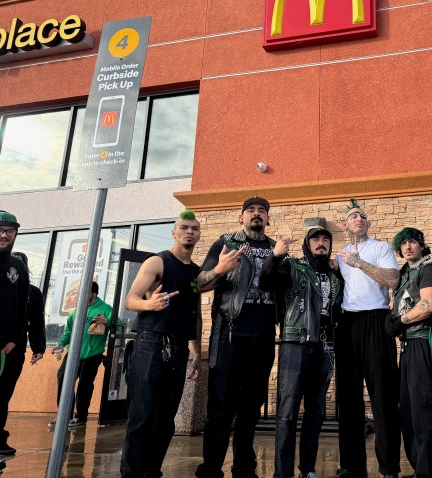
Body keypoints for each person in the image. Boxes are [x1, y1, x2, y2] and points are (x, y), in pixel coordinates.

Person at [196, 196, 277, 478]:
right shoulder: (225, 243)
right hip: (229, 334)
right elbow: (200, 284)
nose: (256, 214)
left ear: (268, 219)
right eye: (251, 211)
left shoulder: (276, 249)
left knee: (251, 408)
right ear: (241, 218)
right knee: (220, 406)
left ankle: (244, 467)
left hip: (264, 337)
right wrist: (220, 269)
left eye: (262, 212)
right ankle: (210, 468)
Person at [120, 210, 203, 477]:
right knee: (142, 417)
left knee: (165, 421)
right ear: (174, 232)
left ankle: (152, 472)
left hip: (179, 348)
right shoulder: (157, 262)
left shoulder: (196, 272)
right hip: (150, 344)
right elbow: (130, 299)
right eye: (184, 227)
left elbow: (196, 315)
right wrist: (149, 304)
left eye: (194, 228)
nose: (190, 232)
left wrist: (197, 353)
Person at [260, 221, 343, 478]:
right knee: (287, 412)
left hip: (324, 347)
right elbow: (266, 281)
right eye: (316, 240)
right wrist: (275, 256)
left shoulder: (335, 274)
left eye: (326, 240)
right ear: (309, 244)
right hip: (295, 344)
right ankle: (282, 473)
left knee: (316, 412)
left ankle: (307, 469)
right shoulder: (293, 266)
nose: (322, 244)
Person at [333, 199, 401, 478]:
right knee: (348, 399)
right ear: (345, 225)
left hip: (376, 320)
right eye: (352, 215)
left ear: (368, 223)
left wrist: (359, 263)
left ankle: (388, 468)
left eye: (362, 215)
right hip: (348, 325)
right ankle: (351, 465)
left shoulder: (380, 247)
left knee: (383, 396)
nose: (358, 218)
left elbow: (392, 280)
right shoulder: (338, 255)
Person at [386, 228, 432, 478]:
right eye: (403, 244)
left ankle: (429, 472)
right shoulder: (404, 273)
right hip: (407, 347)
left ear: (421, 245)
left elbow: (428, 305)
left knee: (424, 411)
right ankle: (419, 468)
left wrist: (399, 320)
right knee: (408, 413)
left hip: (424, 342)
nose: (408, 247)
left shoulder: (428, 268)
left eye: (413, 242)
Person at [0, 252, 46, 456]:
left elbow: (36, 321)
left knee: (3, 394)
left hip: (15, 349)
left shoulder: (33, 293)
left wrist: (38, 347)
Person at [49, 280, 111, 429]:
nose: (80, 295)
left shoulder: (105, 308)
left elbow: (118, 326)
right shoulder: (77, 310)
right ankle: (64, 415)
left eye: (84, 291)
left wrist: (107, 321)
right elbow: (69, 330)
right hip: (73, 353)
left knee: (84, 385)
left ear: (93, 292)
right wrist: (61, 343)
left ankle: (81, 417)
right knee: (63, 379)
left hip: (92, 354)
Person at [0, 212, 30, 461]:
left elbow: (23, 307)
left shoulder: (17, 267)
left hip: (7, 347)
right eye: (0, 229)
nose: (4, 235)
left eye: (10, 231)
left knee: (1, 397)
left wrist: (13, 339)